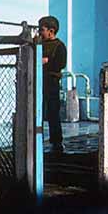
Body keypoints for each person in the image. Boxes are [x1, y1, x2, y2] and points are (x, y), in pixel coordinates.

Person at [37, 16, 67, 153]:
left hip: (52, 82)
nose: (40, 33)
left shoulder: (59, 46)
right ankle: (36, 140)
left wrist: (47, 61)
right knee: (37, 112)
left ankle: (56, 142)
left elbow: (61, 64)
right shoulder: (39, 44)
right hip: (38, 81)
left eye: (42, 30)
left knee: (53, 112)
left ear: (51, 31)